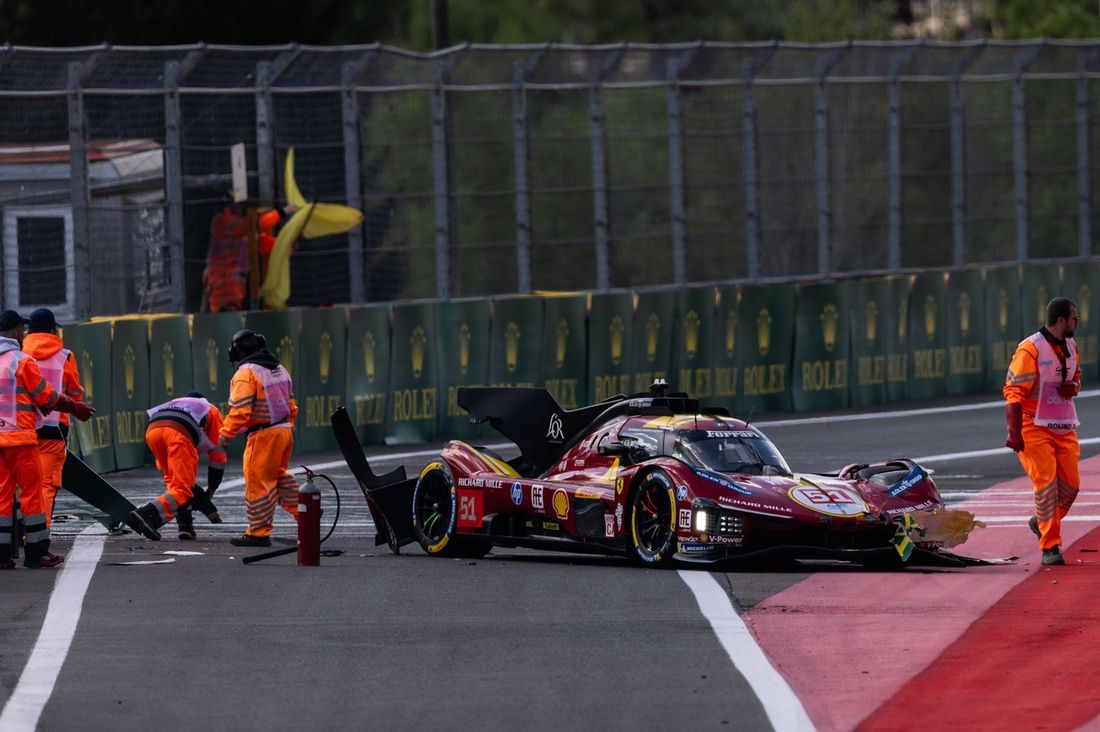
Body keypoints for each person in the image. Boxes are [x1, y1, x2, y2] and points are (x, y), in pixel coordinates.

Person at [0, 310, 95, 569]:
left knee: (3, 496)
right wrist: (75, 407)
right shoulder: (23, 361)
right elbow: (47, 397)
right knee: (36, 493)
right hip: (28, 436)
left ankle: (2, 555)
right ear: (19, 330)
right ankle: (36, 552)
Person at [1003, 296, 1082, 566]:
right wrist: (1014, 432)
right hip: (1033, 426)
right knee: (1046, 484)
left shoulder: (1071, 346)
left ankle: (1042, 521)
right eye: (1074, 318)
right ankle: (1051, 547)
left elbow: (1076, 376)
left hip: (1063, 425)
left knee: (1071, 486)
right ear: (1061, 320)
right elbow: (1013, 393)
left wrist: (1074, 387)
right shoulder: (1030, 350)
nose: (1077, 322)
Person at [218, 330, 299, 547]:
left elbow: (241, 409)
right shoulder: (279, 368)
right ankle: (308, 513)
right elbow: (291, 404)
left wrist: (226, 434)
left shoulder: (247, 373)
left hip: (263, 435)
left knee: (258, 484)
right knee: (279, 478)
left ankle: (258, 533)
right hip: (283, 431)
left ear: (235, 351)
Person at [128, 392, 227, 541]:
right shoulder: (209, 408)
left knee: (176, 486)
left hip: (152, 431)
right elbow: (218, 454)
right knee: (183, 489)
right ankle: (146, 514)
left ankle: (185, 527)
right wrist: (212, 488)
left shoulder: (175, 403)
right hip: (178, 432)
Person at [22, 307, 86, 527]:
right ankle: (39, 534)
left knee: (23, 484)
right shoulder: (65, 356)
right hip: (55, 427)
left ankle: (19, 531)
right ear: (53, 330)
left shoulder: (19, 355)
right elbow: (75, 393)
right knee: (46, 485)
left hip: (23, 426)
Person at [203, 197, 249, 313]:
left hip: (220, 280)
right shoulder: (232, 222)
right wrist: (281, 213)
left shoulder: (220, 220)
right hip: (227, 281)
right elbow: (257, 225)